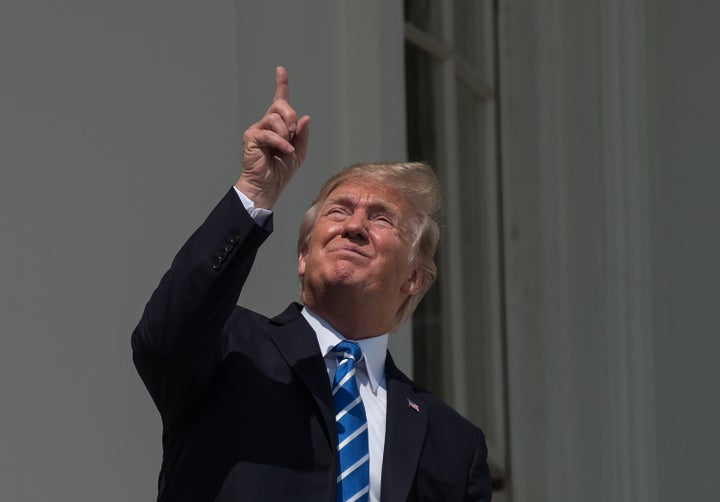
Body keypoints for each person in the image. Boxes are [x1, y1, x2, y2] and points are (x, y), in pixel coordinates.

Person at [132, 66, 492, 502]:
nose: (354, 226)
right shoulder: (231, 348)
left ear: (414, 277)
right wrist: (255, 191)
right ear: (303, 256)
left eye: (380, 218)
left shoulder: (453, 443)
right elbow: (162, 337)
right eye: (338, 212)